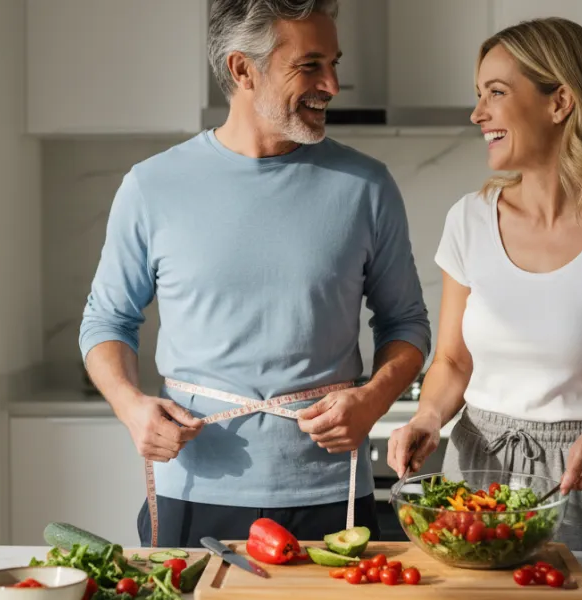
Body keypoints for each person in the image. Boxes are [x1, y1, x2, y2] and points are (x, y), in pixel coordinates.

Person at [80, 0, 431, 548]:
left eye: (334, 63)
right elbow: (106, 320)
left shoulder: (367, 187)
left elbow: (406, 323)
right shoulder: (152, 186)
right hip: (192, 488)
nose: (332, 85)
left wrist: (373, 399)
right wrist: (130, 406)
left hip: (329, 492)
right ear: (243, 69)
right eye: (310, 66)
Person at [387, 17, 582, 552]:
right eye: (479, 94)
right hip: (475, 474)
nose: (477, 113)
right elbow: (453, 362)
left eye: (496, 92)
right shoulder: (469, 220)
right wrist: (427, 416)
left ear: (560, 102)